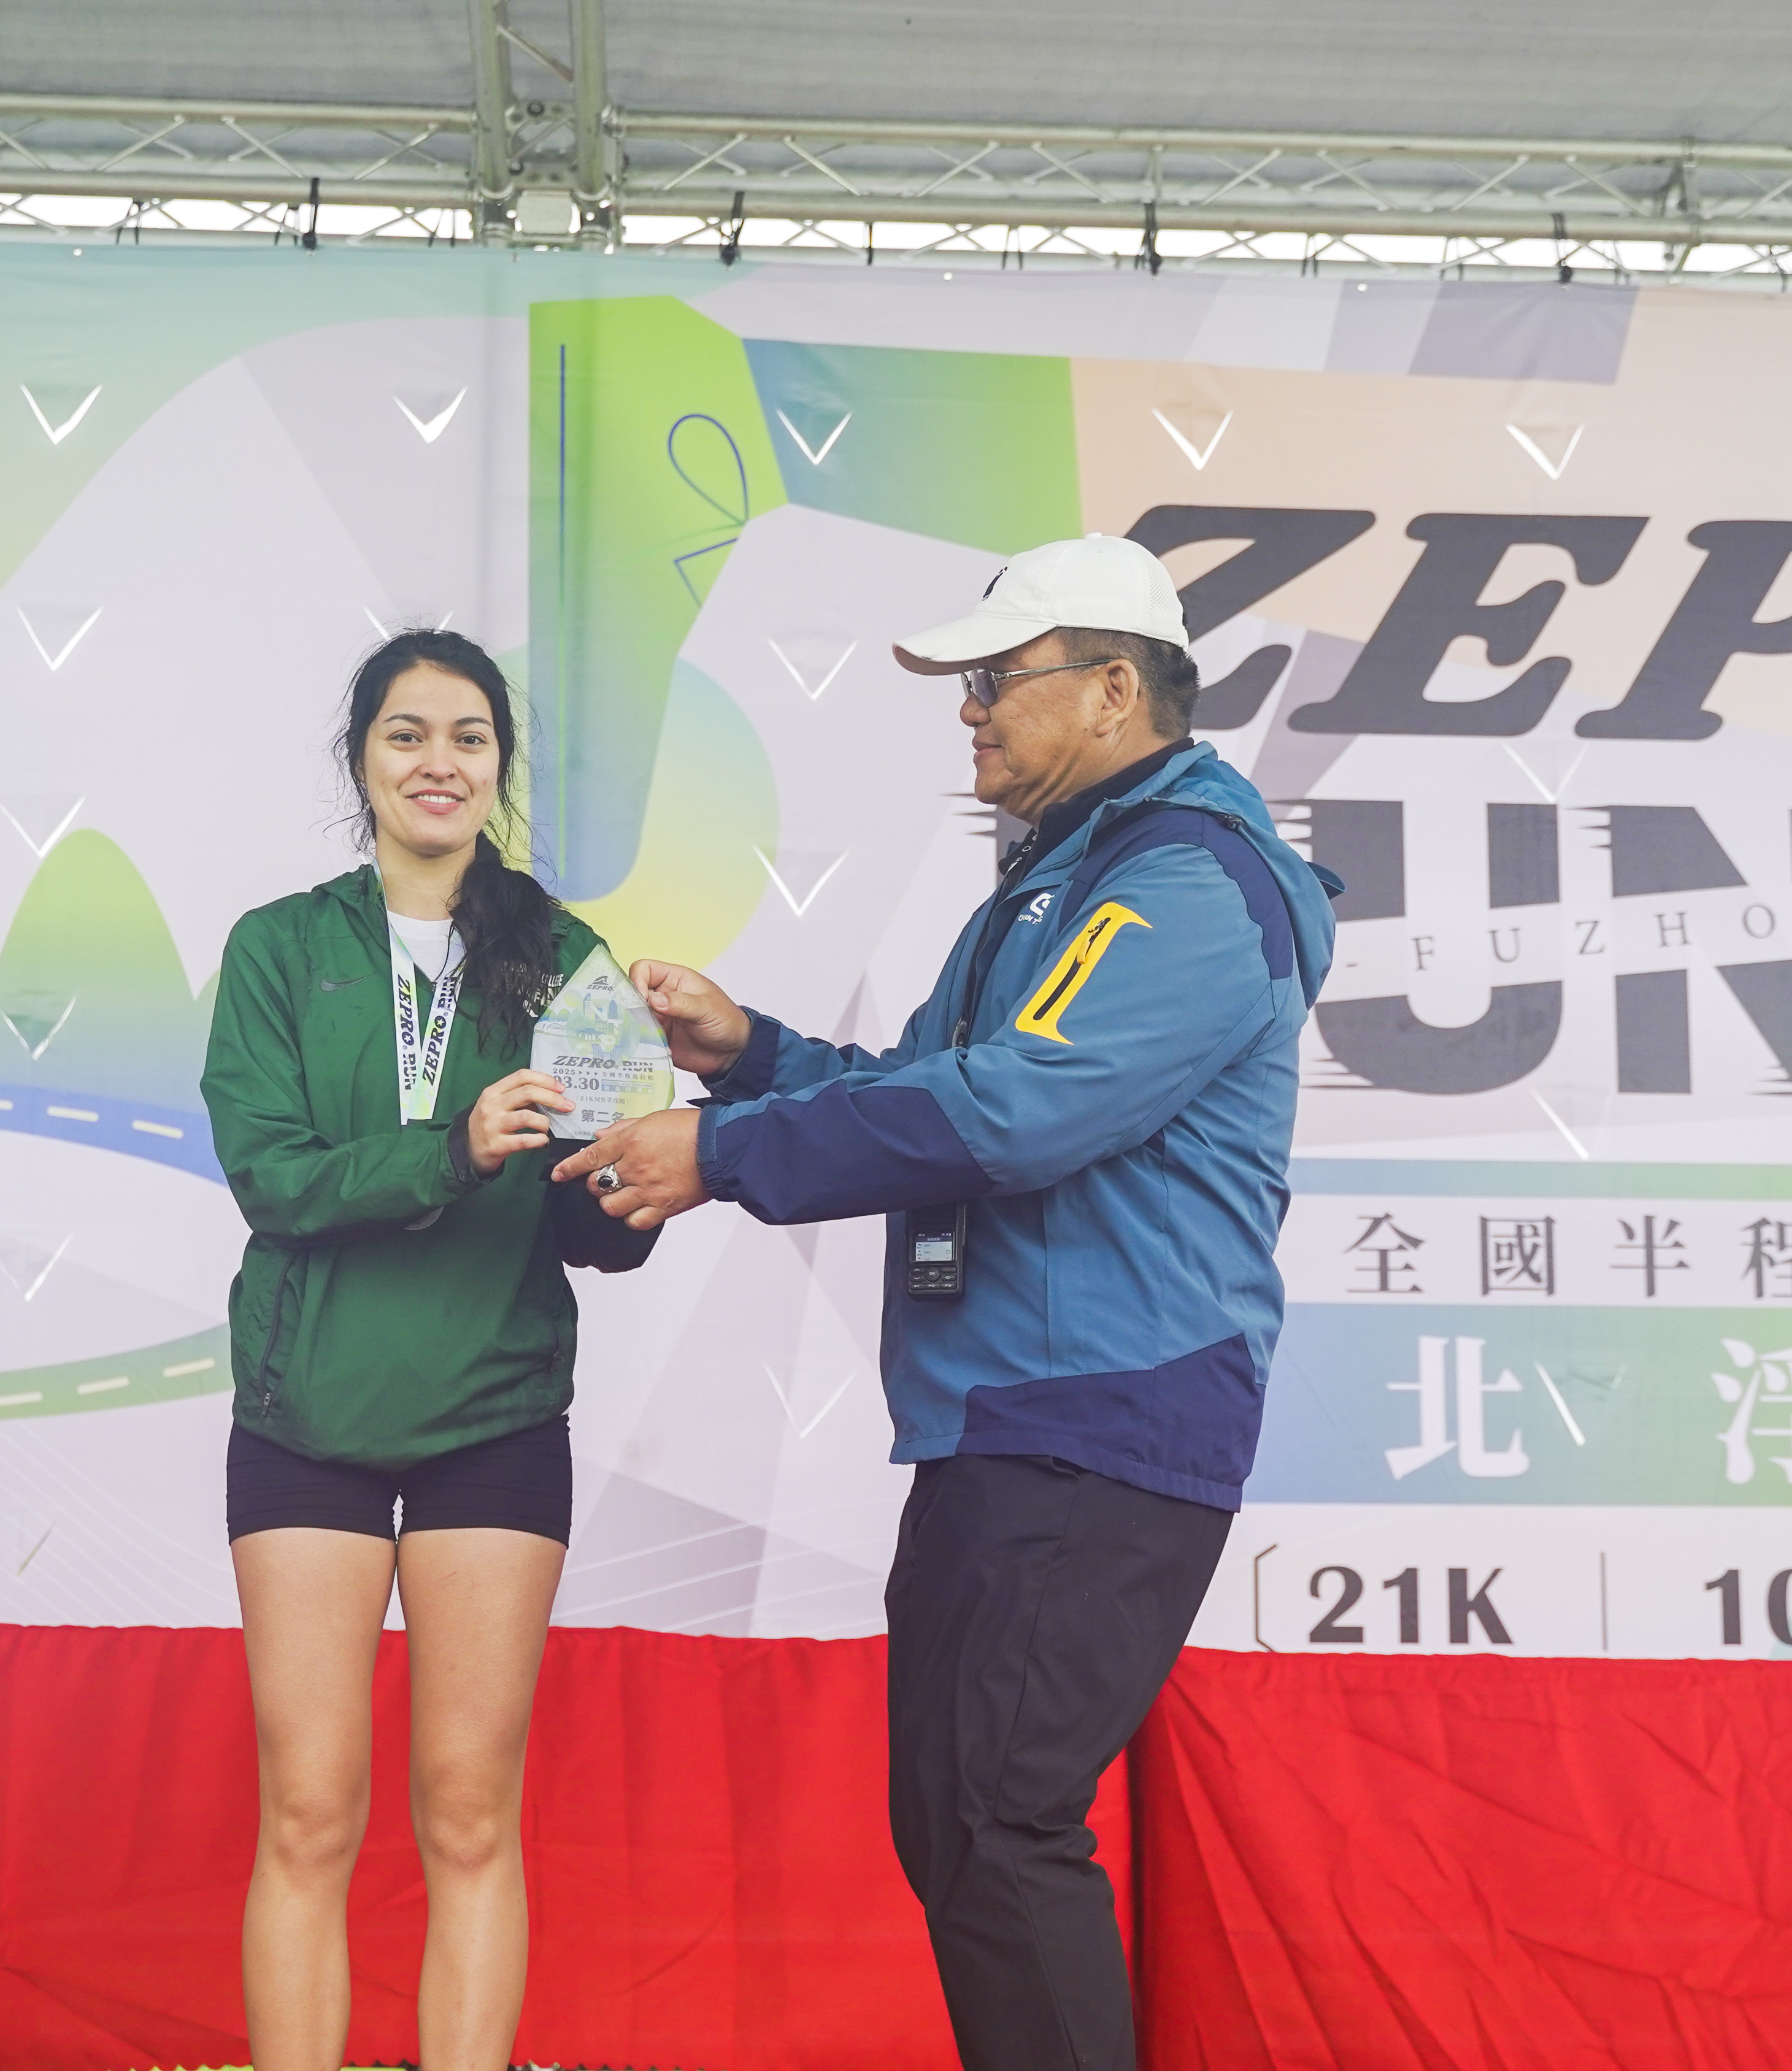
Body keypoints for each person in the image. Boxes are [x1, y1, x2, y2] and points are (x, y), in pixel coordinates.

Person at [555, 536, 1339, 2071]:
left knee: (994, 1816)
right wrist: (753, 1055)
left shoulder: (1188, 881)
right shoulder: (1058, 884)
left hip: (1094, 1418)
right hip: (1019, 1420)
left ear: (1114, 691)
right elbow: (932, 1090)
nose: (968, 708)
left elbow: (1016, 1113)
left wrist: (718, 1151)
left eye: (997, 678)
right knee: (966, 1818)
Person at [201, 628, 654, 2071]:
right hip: (307, 1415)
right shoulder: (279, 947)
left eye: (469, 736)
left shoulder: (564, 956)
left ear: (500, 765)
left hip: (494, 1414)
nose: (438, 762)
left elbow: (602, 1230)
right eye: (407, 734)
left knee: (468, 1811)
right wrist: (453, 1149)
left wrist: (628, 1174)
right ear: (362, 760)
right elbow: (274, 1177)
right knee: (308, 1809)